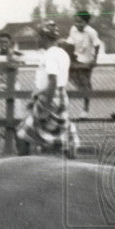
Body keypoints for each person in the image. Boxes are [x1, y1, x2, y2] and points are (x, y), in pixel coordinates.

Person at [15, 21, 80, 157]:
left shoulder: (50, 55)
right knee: (62, 131)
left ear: (46, 38)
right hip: (61, 96)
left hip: (51, 97)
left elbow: (53, 81)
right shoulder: (62, 53)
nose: (37, 40)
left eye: (39, 36)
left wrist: (46, 106)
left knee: (22, 133)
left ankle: (21, 168)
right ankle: (71, 158)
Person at [66, 10, 101, 118]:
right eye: (76, 21)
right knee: (69, 77)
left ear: (86, 22)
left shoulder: (91, 32)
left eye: (80, 22)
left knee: (85, 85)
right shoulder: (73, 29)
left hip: (86, 61)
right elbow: (69, 43)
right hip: (76, 59)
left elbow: (97, 45)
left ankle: (85, 109)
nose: (77, 24)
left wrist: (94, 60)